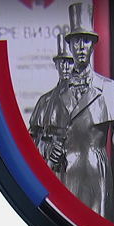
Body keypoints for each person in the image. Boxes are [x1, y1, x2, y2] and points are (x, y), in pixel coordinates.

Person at [42, 2, 114, 221]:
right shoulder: (58, 94)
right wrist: (51, 152)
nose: (81, 46)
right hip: (67, 173)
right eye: (76, 41)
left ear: (93, 45)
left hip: (97, 174)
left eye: (86, 40)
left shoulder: (109, 89)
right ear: (70, 45)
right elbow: (46, 139)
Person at [29, 33, 74, 163]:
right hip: (51, 165)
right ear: (56, 65)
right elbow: (32, 139)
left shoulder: (84, 99)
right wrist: (47, 149)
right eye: (62, 62)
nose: (66, 67)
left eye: (70, 62)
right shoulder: (44, 101)